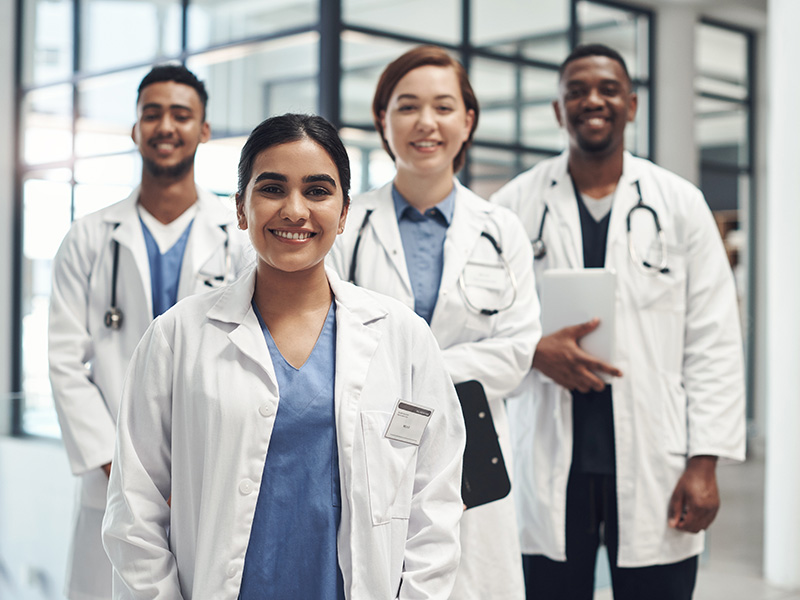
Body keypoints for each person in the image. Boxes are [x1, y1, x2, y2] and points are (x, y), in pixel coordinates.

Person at [102, 113, 467, 599]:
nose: (295, 210)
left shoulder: (403, 338)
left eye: (317, 191)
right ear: (241, 208)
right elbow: (134, 511)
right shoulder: (177, 337)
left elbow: (434, 505)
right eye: (272, 188)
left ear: (343, 212)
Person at [491, 43, 746, 599]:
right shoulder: (513, 207)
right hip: (550, 458)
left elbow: (714, 341)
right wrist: (535, 350)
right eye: (576, 91)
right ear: (559, 111)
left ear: (631, 105)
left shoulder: (680, 204)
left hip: (656, 456)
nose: (592, 100)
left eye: (607, 89)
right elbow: (486, 326)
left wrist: (705, 464)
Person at [327, 46, 541, 600]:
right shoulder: (345, 227)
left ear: (467, 121)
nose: (426, 123)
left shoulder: (501, 230)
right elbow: (323, 337)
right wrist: (416, 376)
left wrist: (409, 373)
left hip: (473, 445)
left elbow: (516, 351)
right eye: (407, 106)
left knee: (472, 581)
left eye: (444, 107)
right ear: (382, 119)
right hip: (369, 444)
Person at [48, 64, 251, 600]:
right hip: (111, 474)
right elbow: (65, 363)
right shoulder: (89, 238)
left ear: (204, 130)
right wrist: (124, 465)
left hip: (212, 467)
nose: (166, 126)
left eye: (181, 115)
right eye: (152, 114)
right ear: (135, 129)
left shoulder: (238, 240)